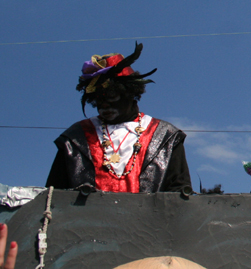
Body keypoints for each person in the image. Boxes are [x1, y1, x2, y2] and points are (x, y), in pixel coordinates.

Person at [46, 43, 192, 193]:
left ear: (129, 94)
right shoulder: (76, 136)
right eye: (99, 100)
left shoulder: (165, 135)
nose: (105, 106)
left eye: (112, 97)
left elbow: (179, 193)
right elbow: (54, 193)